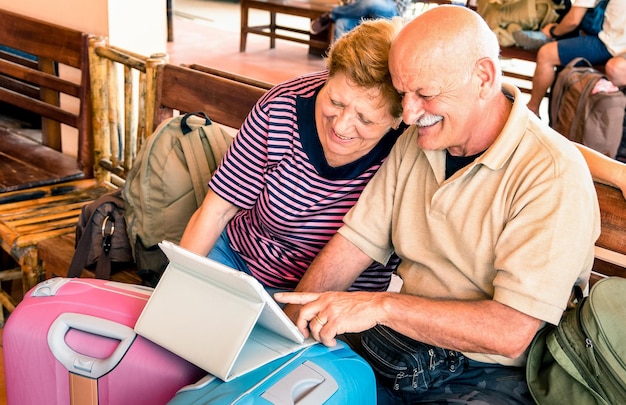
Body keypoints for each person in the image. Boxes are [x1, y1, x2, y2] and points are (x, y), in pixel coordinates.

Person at [276, 6, 603, 404]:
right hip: (400, 348)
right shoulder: (420, 141)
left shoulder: (551, 173)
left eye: (425, 94)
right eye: (402, 94)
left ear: (483, 77)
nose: (409, 115)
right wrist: (293, 333)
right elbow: (355, 242)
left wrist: (382, 306)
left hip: (492, 372)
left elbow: (509, 331)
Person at [179, 18, 406, 295]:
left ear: (400, 118)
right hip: (241, 262)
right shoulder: (282, 106)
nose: (341, 126)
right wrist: (179, 286)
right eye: (335, 102)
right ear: (327, 76)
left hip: (336, 296)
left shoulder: (409, 146)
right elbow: (217, 210)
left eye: (365, 119)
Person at [526, 0, 626, 115]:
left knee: (546, 54)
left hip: (609, 44)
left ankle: (532, 109)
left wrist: (552, 31)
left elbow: (573, 21)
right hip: (619, 47)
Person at [310, 0, 408, 41]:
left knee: (371, 2)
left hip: (391, 11)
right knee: (342, 23)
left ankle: (332, 14)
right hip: (362, 11)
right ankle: (338, 66)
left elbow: (400, 5)